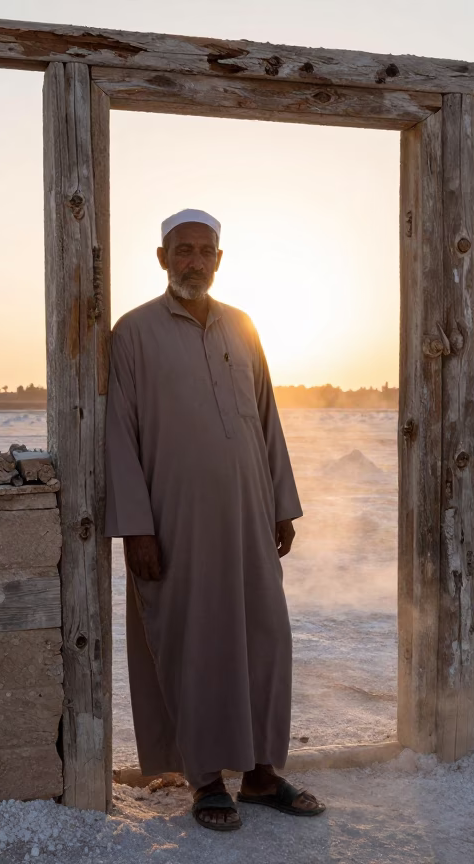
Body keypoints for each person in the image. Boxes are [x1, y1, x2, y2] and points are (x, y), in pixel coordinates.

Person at [105, 209, 325, 831]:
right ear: (162, 256)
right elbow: (118, 436)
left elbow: (267, 420)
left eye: (205, 250)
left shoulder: (244, 327)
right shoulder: (133, 334)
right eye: (183, 250)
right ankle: (205, 780)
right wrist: (136, 528)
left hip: (251, 515)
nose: (194, 260)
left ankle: (261, 775)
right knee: (195, 644)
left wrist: (281, 503)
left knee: (265, 640)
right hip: (175, 523)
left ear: (219, 259)